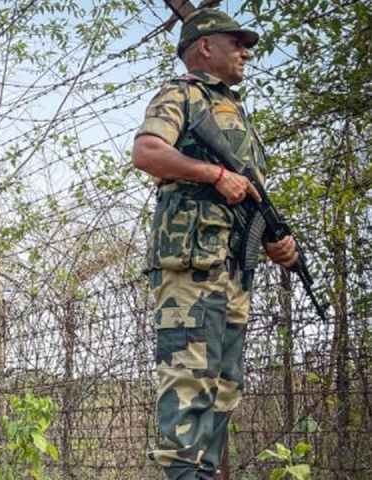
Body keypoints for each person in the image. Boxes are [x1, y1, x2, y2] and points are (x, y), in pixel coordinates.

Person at [131, 8, 298, 480]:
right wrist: (214, 173)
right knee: (189, 387)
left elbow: (250, 196)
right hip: (192, 266)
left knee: (225, 388)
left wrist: (275, 241)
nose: (246, 52)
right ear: (205, 46)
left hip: (233, 272)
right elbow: (147, 151)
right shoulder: (182, 94)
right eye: (236, 43)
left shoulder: (235, 111)